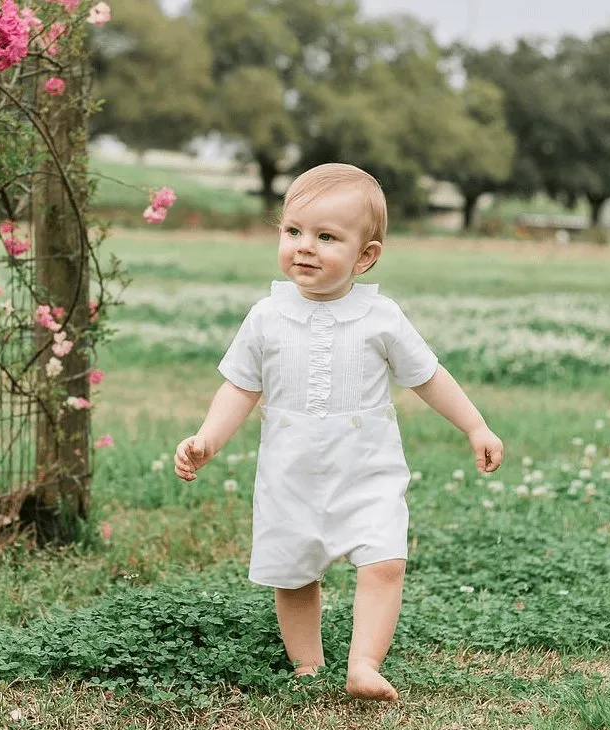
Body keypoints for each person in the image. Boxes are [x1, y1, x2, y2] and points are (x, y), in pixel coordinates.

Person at [174, 163, 504, 701]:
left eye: (326, 237)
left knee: (386, 562)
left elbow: (427, 376)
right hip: (291, 471)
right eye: (293, 232)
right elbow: (239, 387)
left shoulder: (381, 317)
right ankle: (307, 666)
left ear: (365, 255)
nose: (304, 247)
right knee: (295, 574)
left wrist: (475, 425)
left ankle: (365, 664)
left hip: (367, 467)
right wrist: (208, 438)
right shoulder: (266, 316)